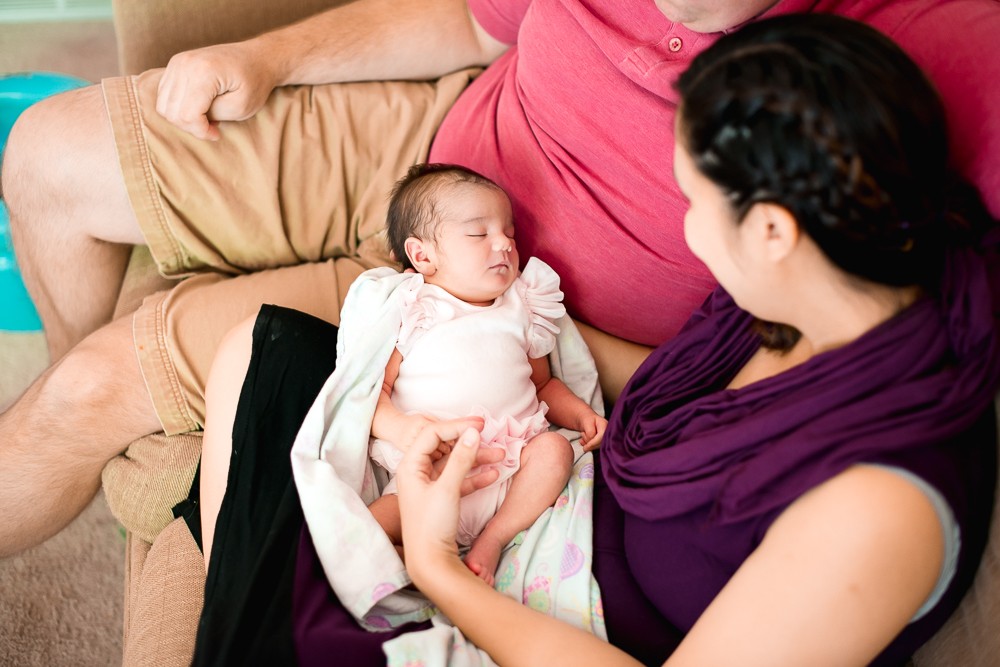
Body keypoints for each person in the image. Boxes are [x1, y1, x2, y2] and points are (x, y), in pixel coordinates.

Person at [0, 0, 996, 611]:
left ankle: (99, 424)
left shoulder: (941, 39)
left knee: (91, 393)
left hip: (502, 312)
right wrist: (272, 57)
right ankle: (105, 451)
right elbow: (476, 22)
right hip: (443, 147)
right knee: (44, 151)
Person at [390, 14, 1000, 666]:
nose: (687, 231)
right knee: (279, 353)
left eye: (693, 201)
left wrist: (437, 568)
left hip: (552, 606)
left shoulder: (878, 511)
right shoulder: (839, 284)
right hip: (554, 506)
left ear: (771, 231)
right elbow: (694, 401)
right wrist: (502, 329)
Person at [367, 163, 605, 583]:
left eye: (509, 233)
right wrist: (404, 431)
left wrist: (581, 415)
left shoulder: (521, 307)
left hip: (511, 469)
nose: (504, 244)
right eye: (479, 234)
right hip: (432, 478)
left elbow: (544, 384)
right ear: (423, 255)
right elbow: (373, 394)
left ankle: (492, 540)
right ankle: (427, 563)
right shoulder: (414, 310)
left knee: (555, 452)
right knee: (362, 531)